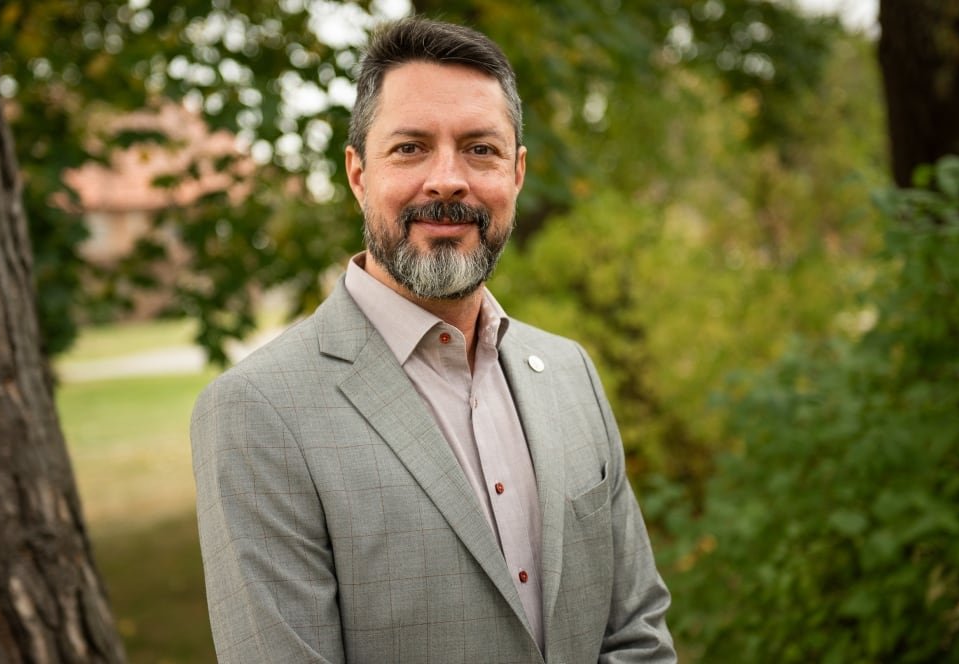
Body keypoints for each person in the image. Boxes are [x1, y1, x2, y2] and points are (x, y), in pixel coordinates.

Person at [191, 16, 675, 663]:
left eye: (480, 149)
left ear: (517, 174)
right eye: (410, 148)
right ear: (358, 175)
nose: (448, 179)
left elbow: (637, 632)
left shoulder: (569, 372)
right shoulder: (259, 410)